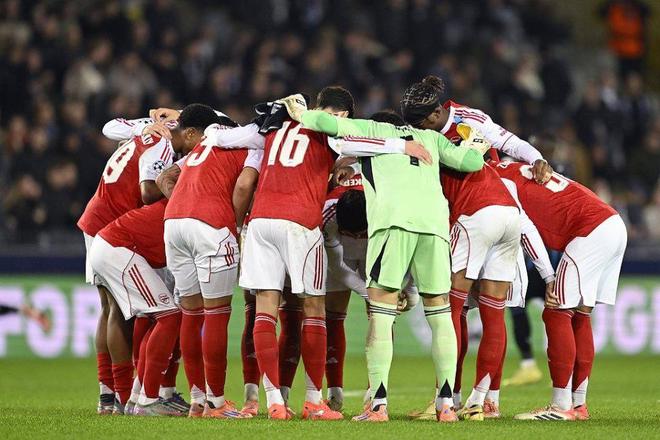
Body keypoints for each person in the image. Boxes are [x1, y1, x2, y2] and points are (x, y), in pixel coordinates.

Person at [237, 88, 431, 421]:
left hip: (260, 222)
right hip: (300, 223)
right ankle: (314, 401)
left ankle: (275, 402)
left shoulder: (273, 126)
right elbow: (365, 143)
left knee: (266, 309)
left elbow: (230, 143)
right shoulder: (330, 130)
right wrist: (403, 145)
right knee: (315, 307)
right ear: (341, 116)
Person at [290, 99, 485, 423]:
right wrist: (476, 140)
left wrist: (301, 113)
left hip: (393, 226)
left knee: (380, 314)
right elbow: (472, 162)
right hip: (435, 229)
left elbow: (325, 125)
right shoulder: (432, 138)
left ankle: (378, 405)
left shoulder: (373, 130)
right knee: (440, 315)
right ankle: (446, 405)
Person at [399, 75, 553, 421]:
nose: (417, 128)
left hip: (475, 217)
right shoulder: (436, 131)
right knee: (493, 312)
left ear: (434, 114)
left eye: (420, 122)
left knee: (450, 309)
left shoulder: (464, 122)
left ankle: (446, 400)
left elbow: (511, 142)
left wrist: (537, 157)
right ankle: (484, 402)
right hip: (507, 215)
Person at [79, 104, 219, 414]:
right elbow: (147, 191)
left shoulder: (151, 130)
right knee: (122, 310)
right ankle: (124, 395)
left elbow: (110, 127)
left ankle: (115, 395)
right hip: (113, 222)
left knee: (121, 309)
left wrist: (143, 126)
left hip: (104, 216)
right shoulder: (163, 142)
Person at [493, 160, 627, 421]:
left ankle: (560, 406)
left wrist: (549, 276)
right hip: (611, 223)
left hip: (590, 229)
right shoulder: (515, 166)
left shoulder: (499, 182)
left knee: (556, 312)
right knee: (580, 314)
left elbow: (526, 232)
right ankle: (578, 405)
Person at [158, 115, 263, 419]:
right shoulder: (252, 147)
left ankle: (197, 400)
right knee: (216, 314)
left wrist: (186, 201)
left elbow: (164, 177)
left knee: (191, 314)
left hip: (173, 223)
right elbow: (244, 185)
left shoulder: (204, 145)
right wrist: (234, 226)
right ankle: (216, 404)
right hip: (210, 227)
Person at [89, 200, 184, 417]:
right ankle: (148, 401)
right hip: (117, 249)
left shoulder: (177, 201)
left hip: (112, 245)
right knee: (169, 316)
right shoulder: (186, 209)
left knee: (159, 316)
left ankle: (135, 398)